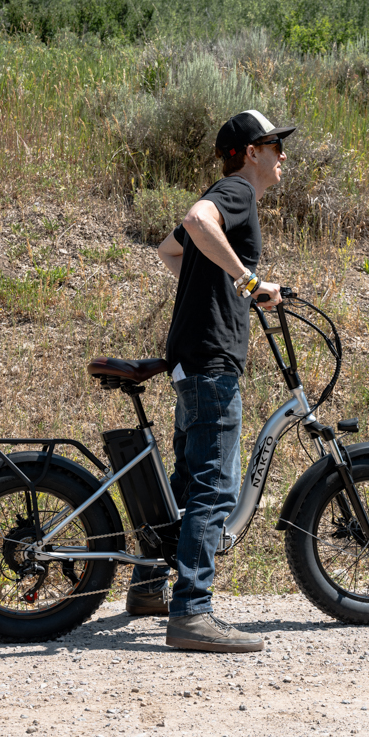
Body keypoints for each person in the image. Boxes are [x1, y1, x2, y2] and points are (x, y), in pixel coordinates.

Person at [126, 110, 295, 653]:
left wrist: (219, 288)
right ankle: (192, 611)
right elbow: (198, 223)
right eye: (274, 145)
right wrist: (246, 282)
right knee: (214, 486)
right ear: (251, 152)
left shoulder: (230, 193)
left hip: (190, 355)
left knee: (184, 481)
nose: (282, 155)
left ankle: (151, 586)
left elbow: (169, 249)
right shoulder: (236, 191)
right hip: (211, 359)